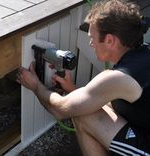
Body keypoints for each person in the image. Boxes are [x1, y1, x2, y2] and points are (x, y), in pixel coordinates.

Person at [17, 0, 150, 155]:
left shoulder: (119, 77)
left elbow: (60, 108)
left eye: (92, 38)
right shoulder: (144, 52)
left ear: (110, 40)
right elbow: (107, 99)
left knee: (82, 114)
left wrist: (35, 86)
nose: (91, 43)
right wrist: (73, 90)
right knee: (88, 108)